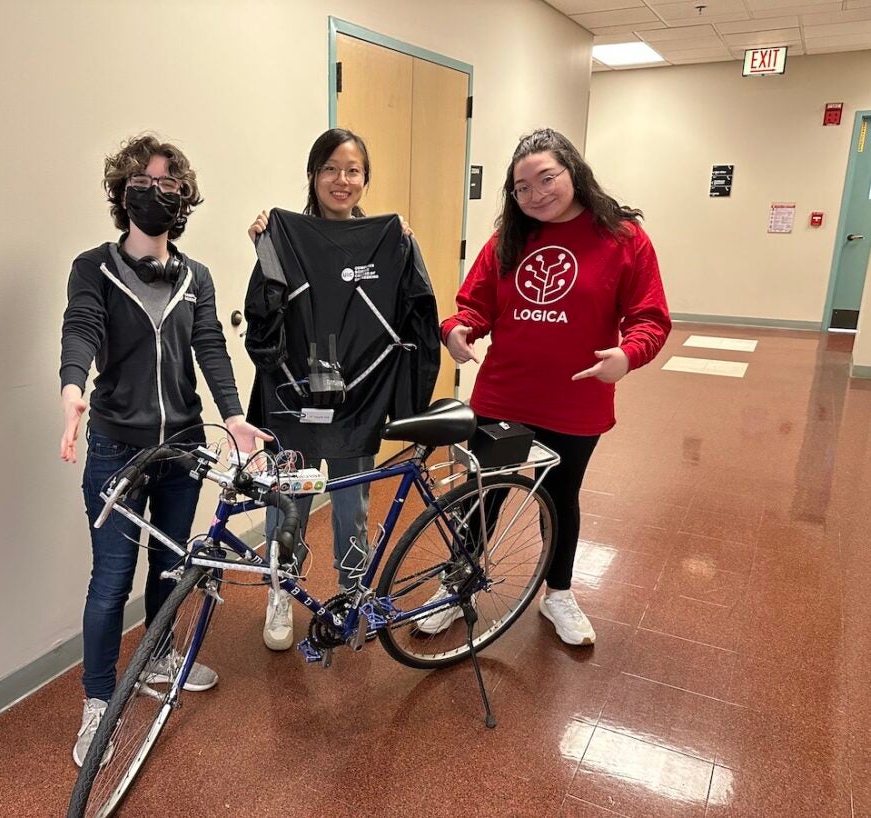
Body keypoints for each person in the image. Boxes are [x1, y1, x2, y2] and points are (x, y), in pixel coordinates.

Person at [59, 133, 268, 766]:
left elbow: (210, 348)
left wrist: (233, 416)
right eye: (142, 183)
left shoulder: (196, 277)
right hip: (115, 448)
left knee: (173, 569)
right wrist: (73, 390)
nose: (156, 193)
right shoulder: (92, 267)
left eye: (169, 184)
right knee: (110, 580)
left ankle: (159, 656)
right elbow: (82, 328)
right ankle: (99, 702)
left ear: (184, 199)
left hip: (181, 448)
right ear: (123, 195)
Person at [441, 127, 670, 646]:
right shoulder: (509, 239)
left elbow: (650, 318)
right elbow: (475, 304)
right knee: (482, 494)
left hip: (575, 400)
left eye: (547, 178)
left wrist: (627, 355)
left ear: (573, 172)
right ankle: (457, 586)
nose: (536, 194)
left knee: (560, 497)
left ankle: (558, 593)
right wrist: (458, 329)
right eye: (522, 188)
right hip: (504, 395)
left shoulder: (622, 238)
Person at [245, 128, 434, 652]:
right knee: (289, 504)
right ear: (313, 176)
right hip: (294, 399)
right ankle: (281, 591)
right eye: (330, 168)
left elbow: (418, 314)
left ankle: (352, 597)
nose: (341, 180)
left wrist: (408, 402)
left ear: (365, 179)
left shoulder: (393, 239)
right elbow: (263, 319)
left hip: (360, 400)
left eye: (352, 170)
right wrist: (265, 250)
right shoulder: (282, 235)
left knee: (352, 507)